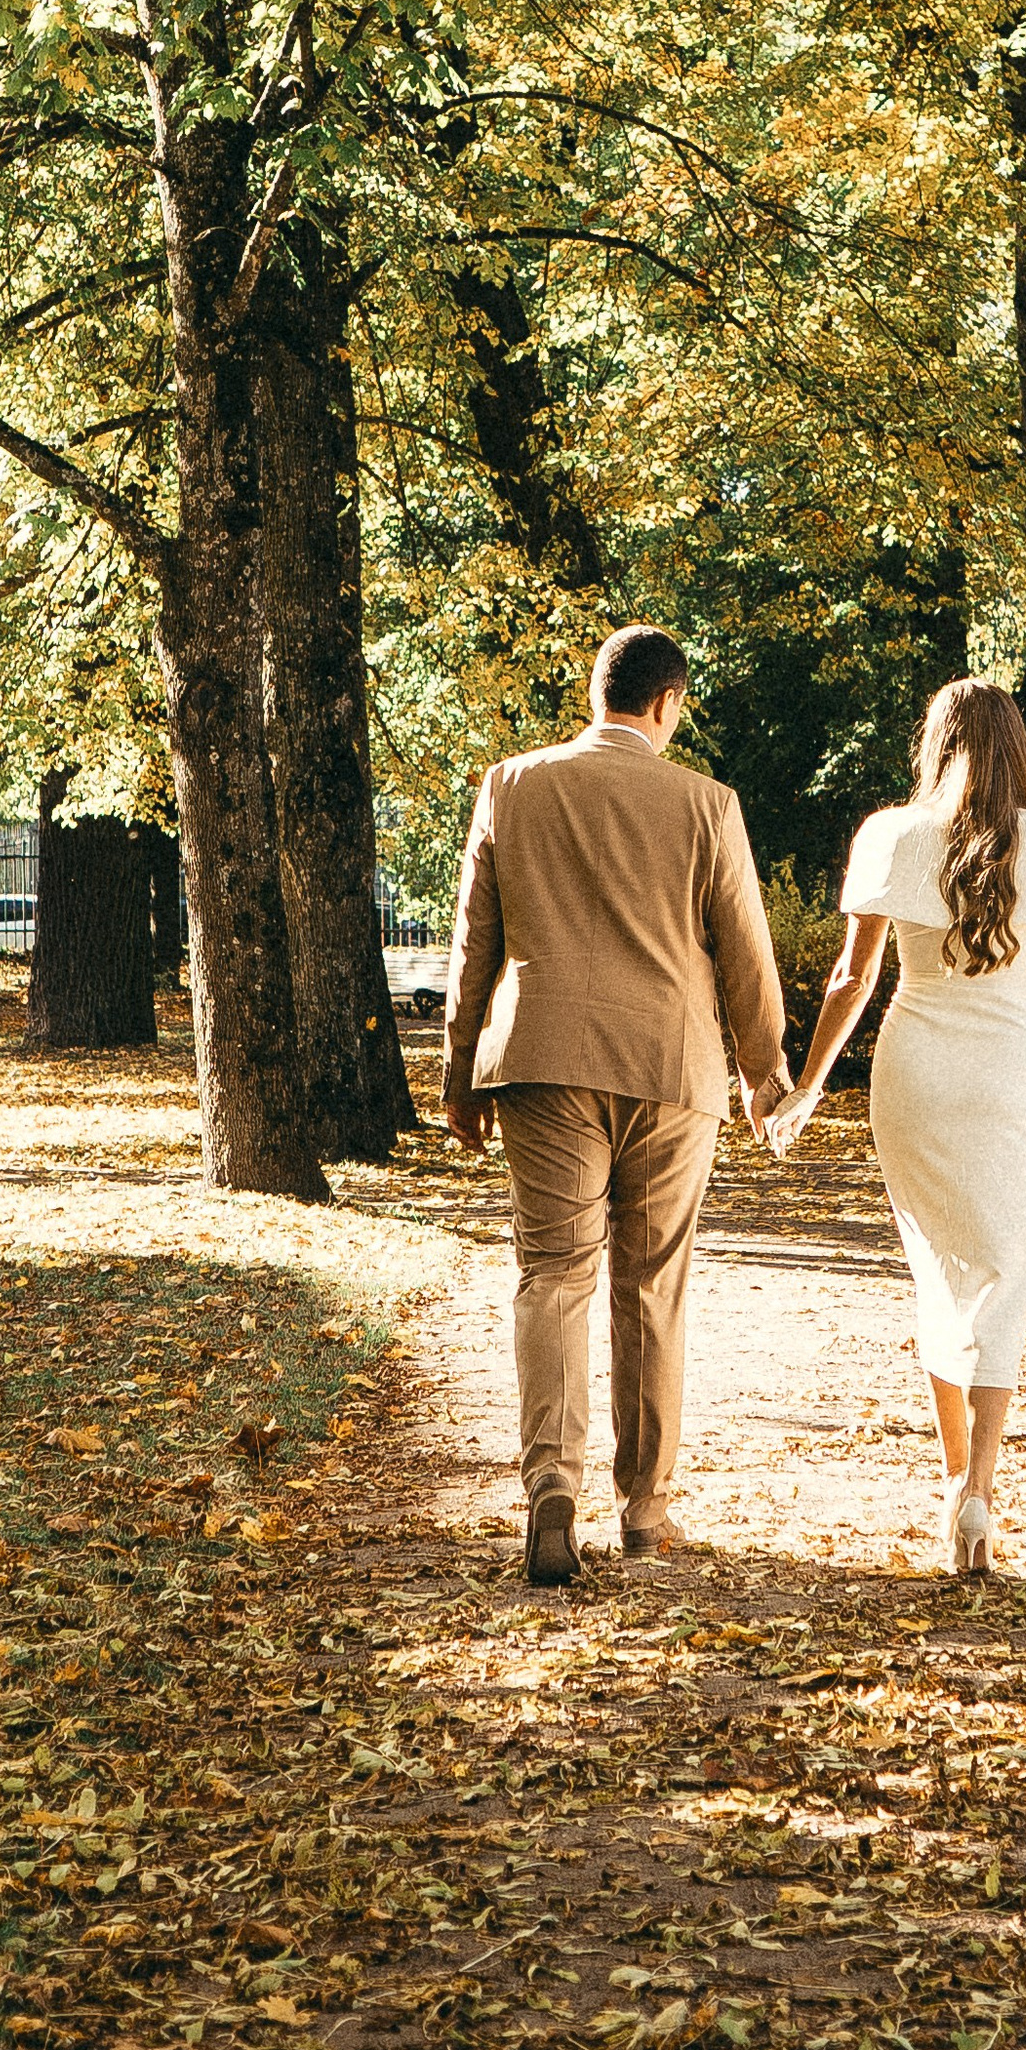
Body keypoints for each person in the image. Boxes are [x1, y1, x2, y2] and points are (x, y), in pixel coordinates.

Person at [441, 624, 790, 1585]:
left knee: (553, 1273)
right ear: (667, 704)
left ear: (599, 694)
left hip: (545, 1060)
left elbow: (476, 939)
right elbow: (744, 949)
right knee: (651, 1283)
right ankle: (644, 1507)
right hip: (671, 1069)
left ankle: (551, 1482)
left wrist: (459, 1074)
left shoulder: (513, 784)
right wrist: (764, 1075)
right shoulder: (707, 802)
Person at [771, 678, 1026, 1579]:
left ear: (935, 742)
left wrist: (806, 1087)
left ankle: (948, 1477)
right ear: (1020, 747)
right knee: (1007, 1269)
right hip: (1015, 1068)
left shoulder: (890, 835)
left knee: (936, 1264)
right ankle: (981, 1484)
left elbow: (849, 982)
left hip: (916, 1068)